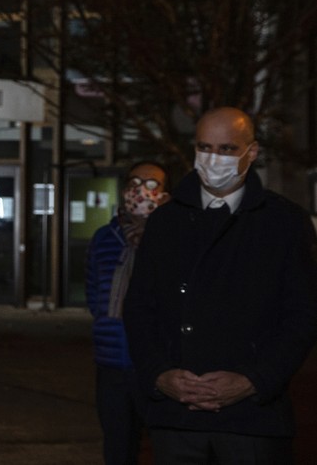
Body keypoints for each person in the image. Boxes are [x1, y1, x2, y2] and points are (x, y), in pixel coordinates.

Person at [123, 107, 317, 463]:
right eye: (205, 147)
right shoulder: (166, 221)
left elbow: (302, 317)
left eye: (227, 149)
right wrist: (159, 374)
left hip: (253, 421)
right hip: (176, 417)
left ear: (251, 152)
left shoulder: (284, 222)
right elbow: (138, 308)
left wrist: (254, 380)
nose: (214, 159)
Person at [86, 161, 169, 465]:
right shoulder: (103, 238)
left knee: (166, 446)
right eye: (135, 183)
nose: (141, 191)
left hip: (158, 367)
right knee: (118, 447)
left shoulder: (174, 238)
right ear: (123, 191)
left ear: (164, 194)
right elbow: (95, 293)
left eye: (152, 184)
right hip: (111, 366)